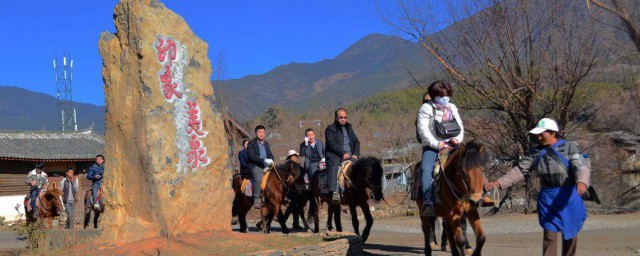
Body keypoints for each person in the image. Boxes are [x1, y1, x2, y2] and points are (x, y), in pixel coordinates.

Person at [487, 118, 589, 256]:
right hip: (548, 197)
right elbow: (520, 170)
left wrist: (582, 181)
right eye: (538, 134)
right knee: (549, 234)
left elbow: (581, 165)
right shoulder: (535, 152)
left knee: (570, 234)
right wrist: (500, 183)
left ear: (553, 132)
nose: (539, 137)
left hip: (568, 196)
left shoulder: (570, 147)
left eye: (542, 134)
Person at [416, 80, 464, 216]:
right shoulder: (426, 109)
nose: (445, 98)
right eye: (442, 95)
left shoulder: (452, 108)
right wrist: (437, 144)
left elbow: (460, 126)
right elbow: (423, 130)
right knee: (427, 169)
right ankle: (428, 203)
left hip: (452, 144)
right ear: (434, 95)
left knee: (471, 161)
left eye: (447, 94)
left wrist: (457, 139)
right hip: (433, 147)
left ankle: (482, 193)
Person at [325, 107, 360, 203]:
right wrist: (343, 153)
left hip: (351, 156)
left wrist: (355, 154)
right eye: (341, 117)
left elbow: (356, 142)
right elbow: (332, 144)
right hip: (335, 156)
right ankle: (334, 193)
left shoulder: (349, 127)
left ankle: (369, 192)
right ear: (336, 118)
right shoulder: (330, 129)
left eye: (345, 117)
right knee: (333, 168)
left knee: (364, 168)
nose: (343, 119)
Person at [247, 125, 275, 209]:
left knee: (278, 175)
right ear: (256, 133)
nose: (261, 134)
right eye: (259, 132)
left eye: (263, 132)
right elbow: (251, 156)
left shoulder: (266, 143)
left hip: (267, 164)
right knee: (258, 179)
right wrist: (263, 161)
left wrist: (271, 160)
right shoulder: (251, 143)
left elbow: (270, 154)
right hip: (256, 165)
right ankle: (256, 199)